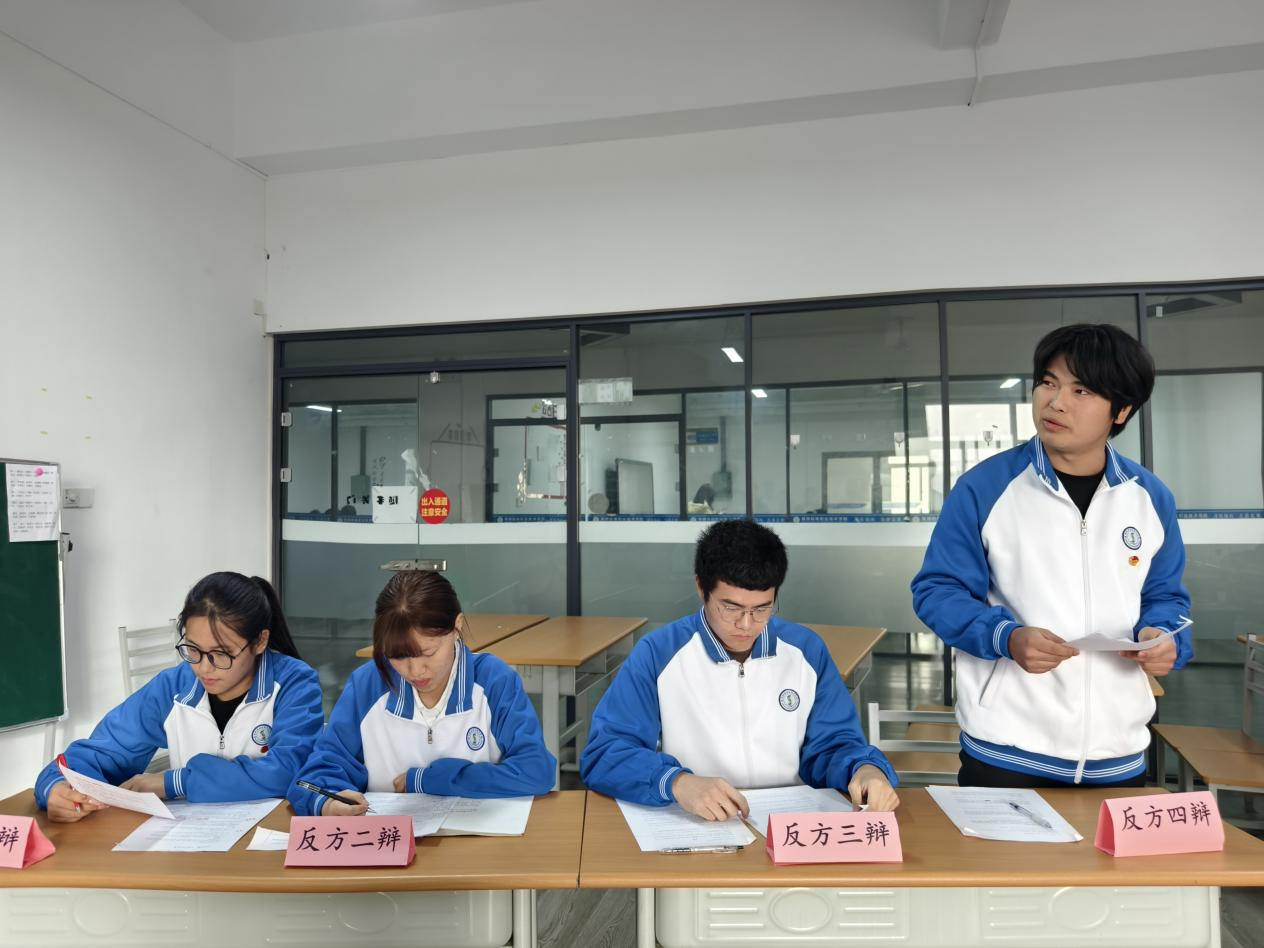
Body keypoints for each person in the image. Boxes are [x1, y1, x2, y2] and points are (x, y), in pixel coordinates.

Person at [912, 323, 1193, 788]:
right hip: (1006, 752)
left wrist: (1164, 638)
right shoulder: (985, 488)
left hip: (1117, 754)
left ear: (1122, 410)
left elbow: (1167, 598)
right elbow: (938, 591)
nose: (1055, 402)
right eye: (1048, 382)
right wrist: (1006, 637)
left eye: (1081, 390)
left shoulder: (1149, 497)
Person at [580, 519, 899, 820]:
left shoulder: (806, 651)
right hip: (698, 823)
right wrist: (676, 782)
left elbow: (835, 743)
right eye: (730, 608)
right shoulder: (658, 653)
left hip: (789, 824)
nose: (746, 625)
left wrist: (864, 769)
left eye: (762, 609)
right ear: (701, 588)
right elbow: (606, 752)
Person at [35, 572, 323, 821]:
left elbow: (286, 772)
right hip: (192, 842)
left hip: (270, 838)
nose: (204, 668)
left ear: (260, 641)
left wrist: (174, 783)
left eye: (222, 653)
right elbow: (98, 754)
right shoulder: (173, 687)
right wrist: (57, 788)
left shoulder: (294, 683)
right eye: (193, 650)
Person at [289, 570, 554, 816]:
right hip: (390, 843)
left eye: (428, 652)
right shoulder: (368, 684)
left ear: (457, 626)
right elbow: (316, 775)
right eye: (397, 656)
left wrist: (428, 780)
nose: (415, 671)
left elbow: (536, 770)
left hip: (480, 841)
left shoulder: (493, 680)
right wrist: (328, 803)